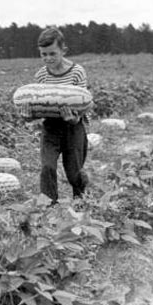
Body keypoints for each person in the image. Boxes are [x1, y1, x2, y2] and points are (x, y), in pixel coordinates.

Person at [20, 26, 90, 204]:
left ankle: (82, 202)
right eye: (43, 54)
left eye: (52, 53)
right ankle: (48, 205)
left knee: (74, 172)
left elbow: (84, 104)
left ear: (63, 50)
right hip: (51, 127)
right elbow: (40, 106)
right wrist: (28, 116)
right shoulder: (41, 75)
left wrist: (74, 118)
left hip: (73, 127)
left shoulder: (77, 72)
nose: (48, 58)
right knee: (47, 167)